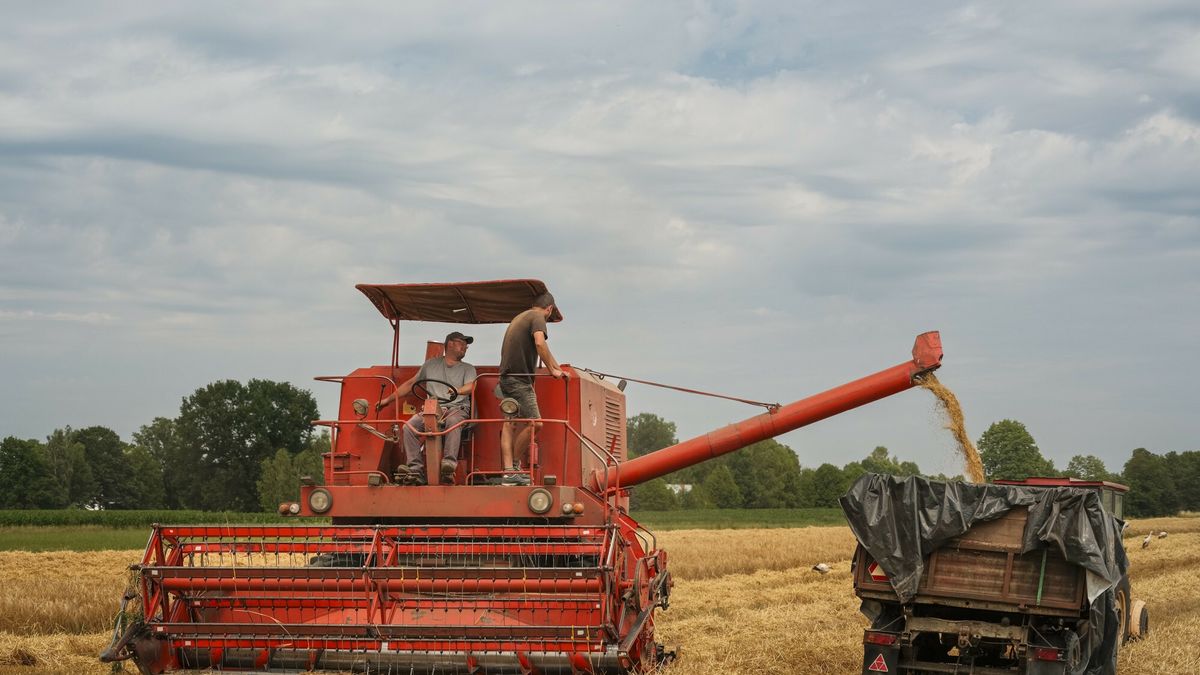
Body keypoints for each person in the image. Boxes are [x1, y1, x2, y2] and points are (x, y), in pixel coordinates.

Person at [377, 331, 477, 484]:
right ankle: (415, 469)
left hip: (457, 408)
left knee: (453, 423)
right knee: (409, 427)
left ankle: (448, 465)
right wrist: (388, 400)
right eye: (462, 343)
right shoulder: (430, 365)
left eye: (466, 345)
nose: (465, 347)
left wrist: (458, 391)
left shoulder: (468, 368)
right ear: (450, 344)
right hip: (432, 409)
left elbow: (471, 386)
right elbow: (410, 384)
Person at [497, 292, 567, 485]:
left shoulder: (521, 317)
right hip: (519, 380)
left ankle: (508, 472)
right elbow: (540, 342)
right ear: (549, 309)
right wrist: (553, 371)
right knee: (536, 423)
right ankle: (514, 467)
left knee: (509, 424)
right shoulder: (538, 317)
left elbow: (545, 350)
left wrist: (557, 368)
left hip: (506, 378)